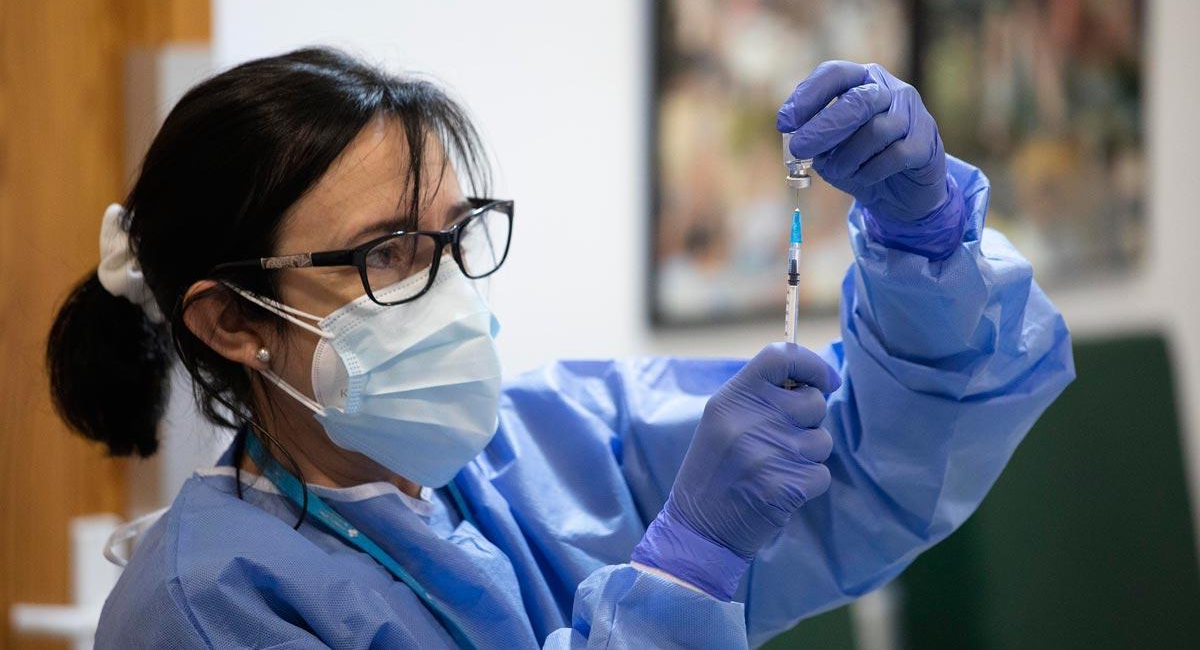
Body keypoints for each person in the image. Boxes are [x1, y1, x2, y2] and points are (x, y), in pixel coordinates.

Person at [45, 49, 1073, 649]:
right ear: (232, 321)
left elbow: (869, 461)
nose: (444, 284)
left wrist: (922, 234)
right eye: (388, 253)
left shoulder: (545, 450)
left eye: (455, 235)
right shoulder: (206, 606)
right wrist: (681, 574)